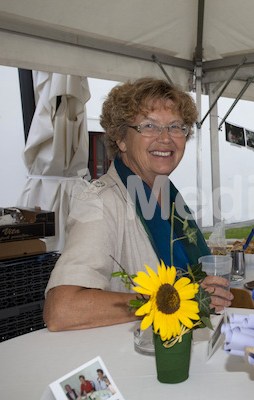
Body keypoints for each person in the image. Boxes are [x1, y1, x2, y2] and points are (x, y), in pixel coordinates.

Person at [43, 78, 233, 331]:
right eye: (149, 126)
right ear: (121, 139)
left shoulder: (168, 196)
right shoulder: (100, 202)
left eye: (175, 126)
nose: (165, 139)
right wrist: (168, 301)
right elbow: (62, 309)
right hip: (128, 357)